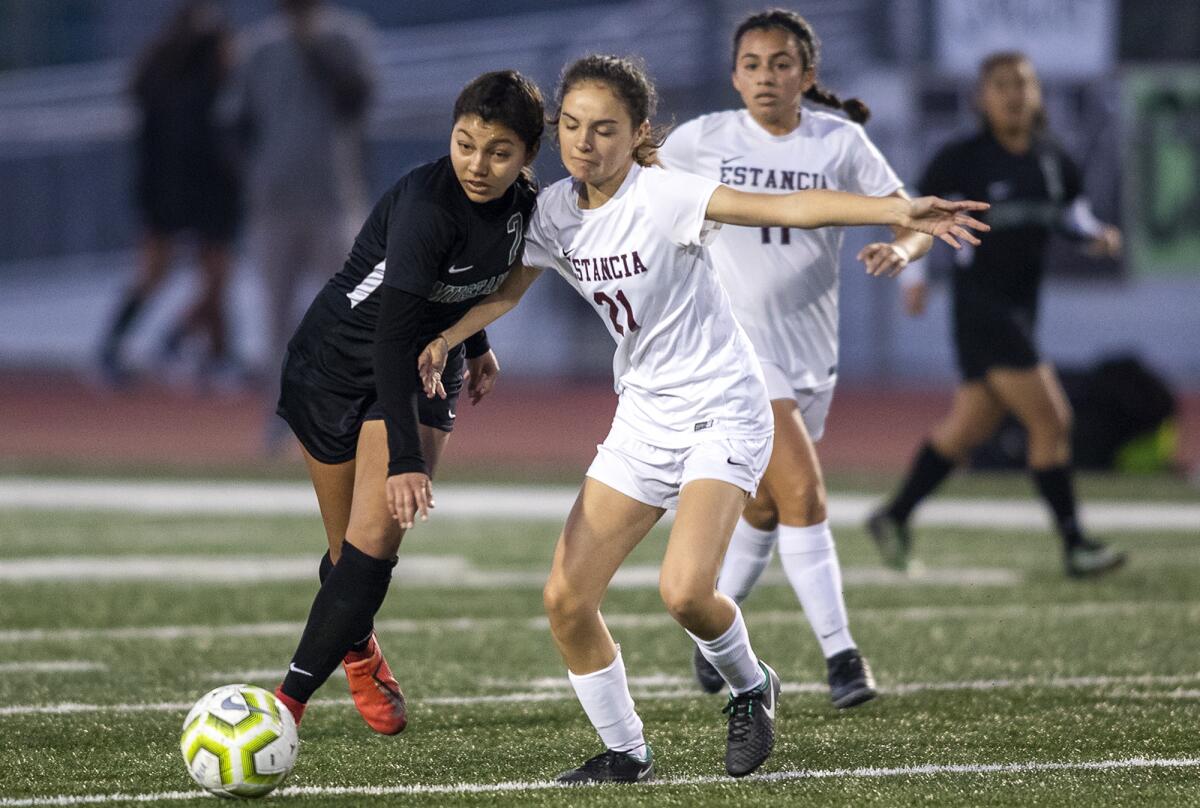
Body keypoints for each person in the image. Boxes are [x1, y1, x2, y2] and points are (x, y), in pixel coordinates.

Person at [418, 54, 988, 783]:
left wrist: (897, 210)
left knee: (685, 591)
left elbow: (787, 206)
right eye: (571, 127)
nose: (584, 143)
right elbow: (508, 291)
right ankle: (627, 752)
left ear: (638, 135)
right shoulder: (554, 211)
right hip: (645, 416)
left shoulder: (665, 195)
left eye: (604, 130)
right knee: (565, 600)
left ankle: (753, 686)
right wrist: (446, 335)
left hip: (723, 407)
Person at [658, 9, 934, 708]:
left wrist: (901, 249)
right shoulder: (703, 138)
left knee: (765, 509)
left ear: (807, 76)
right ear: (733, 75)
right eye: (751, 64)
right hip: (735, 353)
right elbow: (639, 187)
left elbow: (914, 218)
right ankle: (843, 658)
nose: (765, 77)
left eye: (781, 64)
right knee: (806, 495)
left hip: (813, 355)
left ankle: (710, 637)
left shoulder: (839, 142)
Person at [267, 71, 542, 737]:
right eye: (465, 142)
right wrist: (404, 461)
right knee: (344, 562)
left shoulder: (524, 208)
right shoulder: (427, 204)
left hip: (423, 367)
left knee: (373, 546)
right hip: (334, 362)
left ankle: (283, 708)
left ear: (527, 158)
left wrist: (474, 344)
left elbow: (465, 283)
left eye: (499, 151)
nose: (478, 163)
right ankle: (358, 647)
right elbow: (392, 333)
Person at [867, 51, 1126, 578]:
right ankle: (1075, 545)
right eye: (1001, 85)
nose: (1013, 94)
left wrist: (1097, 235)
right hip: (981, 309)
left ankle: (893, 516)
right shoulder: (961, 159)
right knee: (1052, 419)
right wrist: (913, 275)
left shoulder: (1053, 159)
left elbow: (1072, 215)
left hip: (1022, 309)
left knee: (968, 430)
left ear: (1037, 95)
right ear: (980, 99)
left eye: (1023, 84)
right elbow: (912, 214)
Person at [218, 0, 375, 444]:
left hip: (333, 198)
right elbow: (232, 121)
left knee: (348, 311)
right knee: (277, 317)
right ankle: (282, 419)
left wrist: (314, 47)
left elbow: (358, 98)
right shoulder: (260, 48)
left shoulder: (344, 38)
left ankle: (347, 415)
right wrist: (252, 174)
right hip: (274, 203)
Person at [99, 0, 241, 387]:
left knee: (198, 277)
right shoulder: (201, 87)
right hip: (192, 191)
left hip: (170, 190)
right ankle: (177, 346)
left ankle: (194, 350)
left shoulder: (158, 74)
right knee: (207, 277)